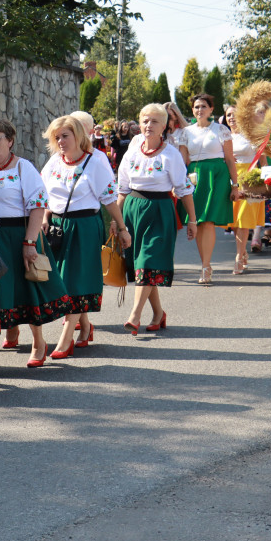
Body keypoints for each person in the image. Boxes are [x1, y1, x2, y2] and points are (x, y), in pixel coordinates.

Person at [0, 119, 70, 366]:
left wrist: (30, 242)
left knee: (28, 289)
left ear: (9, 140)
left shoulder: (22, 168)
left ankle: (39, 341)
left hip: (19, 235)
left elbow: (38, 206)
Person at [41, 115, 131, 358]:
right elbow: (44, 195)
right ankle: (86, 327)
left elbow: (109, 199)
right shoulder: (53, 163)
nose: (60, 141)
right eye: (56, 137)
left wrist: (121, 228)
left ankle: (65, 339)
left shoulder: (95, 162)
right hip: (58, 228)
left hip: (84, 227)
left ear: (79, 136)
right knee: (64, 279)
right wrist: (45, 217)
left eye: (65, 136)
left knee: (74, 282)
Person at [115, 104, 197, 333]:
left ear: (164, 126)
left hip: (160, 211)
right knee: (141, 267)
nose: (148, 125)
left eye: (154, 121)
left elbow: (184, 189)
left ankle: (135, 314)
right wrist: (116, 220)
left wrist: (192, 220)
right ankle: (159, 313)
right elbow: (122, 188)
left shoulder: (170, 154)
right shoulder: (132, 149)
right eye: (145, 120)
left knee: (148, 262)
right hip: (132, 209)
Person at [176, 93, 240, 284]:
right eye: (196, 107)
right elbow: (181, 161)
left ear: (212, 109)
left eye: (204, 106)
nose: (199, 110)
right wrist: (178, 183)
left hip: (217, 177)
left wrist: (234, 185)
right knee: (198, 221)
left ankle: (205, 266)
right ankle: (205, 264)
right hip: (195, 177)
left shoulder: (221, 130)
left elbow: (229, 159)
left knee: (209, 221)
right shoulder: (186, 132)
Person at [224, 104, 264, 274]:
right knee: (234, 222)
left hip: (250, 178)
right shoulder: (223, 137)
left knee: (243, 219)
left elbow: (263, 160)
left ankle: (239, 258)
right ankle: (244, 251)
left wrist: (266, 181)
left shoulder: (253, 135)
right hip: (229, 179)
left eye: (234, 114)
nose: (231, 118)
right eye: (228, 115)